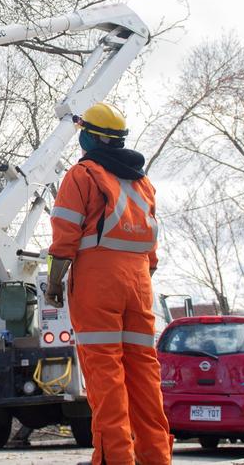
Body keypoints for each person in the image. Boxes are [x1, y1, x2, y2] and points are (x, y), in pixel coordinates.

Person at [44, 102, 171, 465]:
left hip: (99, 282)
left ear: (90, 137)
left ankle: (115, 459)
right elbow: (151, 248)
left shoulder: (83, 174)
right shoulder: (142, 182)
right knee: (144, 373)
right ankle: (156, 458)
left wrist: (55, 281)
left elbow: (65, 236)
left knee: (105, 375)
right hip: (139, 282)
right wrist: (139, 277)